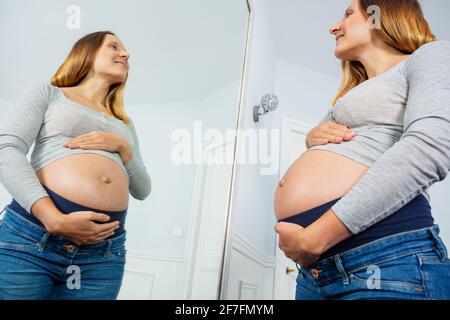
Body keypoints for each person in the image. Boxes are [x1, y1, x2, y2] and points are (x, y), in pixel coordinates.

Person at [274, 0, 450, 299]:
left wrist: (316, 237)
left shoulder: (430, 56)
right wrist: (311, 139)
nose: (334, 27)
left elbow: (432, 146)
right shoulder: (354, 94)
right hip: (316, 272)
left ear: (378, 14)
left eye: (347, 13)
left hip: (388, 258)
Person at [0, 31, 151, 299]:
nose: (125, 54)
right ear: (87, 53)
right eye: (114, 46)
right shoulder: (49, 94)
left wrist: (122, 146)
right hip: (32, 239)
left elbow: (142, 189)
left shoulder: (125, 125)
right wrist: (52, 218)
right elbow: (7, 149)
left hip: (102, 255)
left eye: (126, 51)